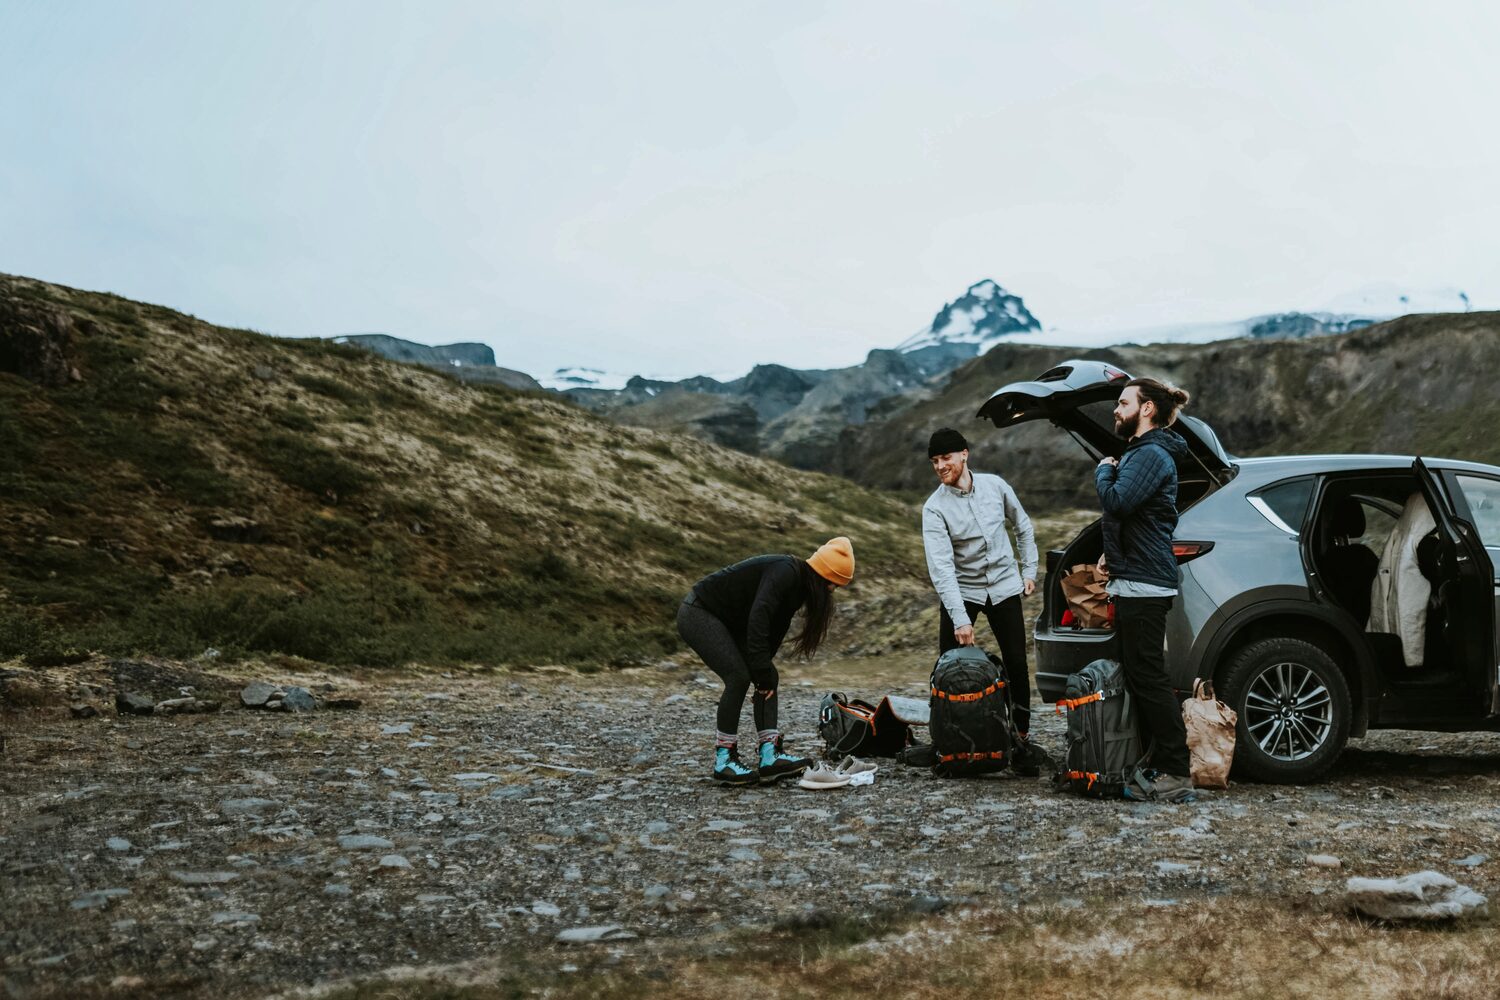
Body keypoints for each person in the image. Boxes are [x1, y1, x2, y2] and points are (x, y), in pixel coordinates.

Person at [677, 538, 855, 786]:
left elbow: (774, 630)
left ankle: (769, 756)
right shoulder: (785, 572)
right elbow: (759, 617)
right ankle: (724, 760)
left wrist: (763, 673)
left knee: (768, 677)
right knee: (738, 677)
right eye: (831, 584)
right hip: (699, 612)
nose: (832, 591)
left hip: (727, 621)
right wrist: (759, 671)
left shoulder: (798, 587)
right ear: (821, 575)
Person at [1094, 377, 1196, 802]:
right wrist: (1112, 555)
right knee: (1139, 676)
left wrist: (1104, 470)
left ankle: (1177, 771)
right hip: (1134, 578)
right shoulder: (1143, 453)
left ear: (1147, 408)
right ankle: (1152, 760)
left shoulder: (1151, 454)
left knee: (1149, 678)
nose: (1116, 410)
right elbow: (1137, 517)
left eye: (1123, 403)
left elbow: (1117, 502)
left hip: (1145, 584)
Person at [921, 428, 1045, 775]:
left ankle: (1020, 738)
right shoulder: (934, 509)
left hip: (1004, 586)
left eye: (946, 458)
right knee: (946, 666)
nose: (940, 466)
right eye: (934, 461)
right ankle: (947, 742)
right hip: (964, 591)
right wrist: (960, 618)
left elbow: (1022, 526)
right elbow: (941, 569)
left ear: (964, 454)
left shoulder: (996, 486)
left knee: (1016, 664)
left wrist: (1029, 570)